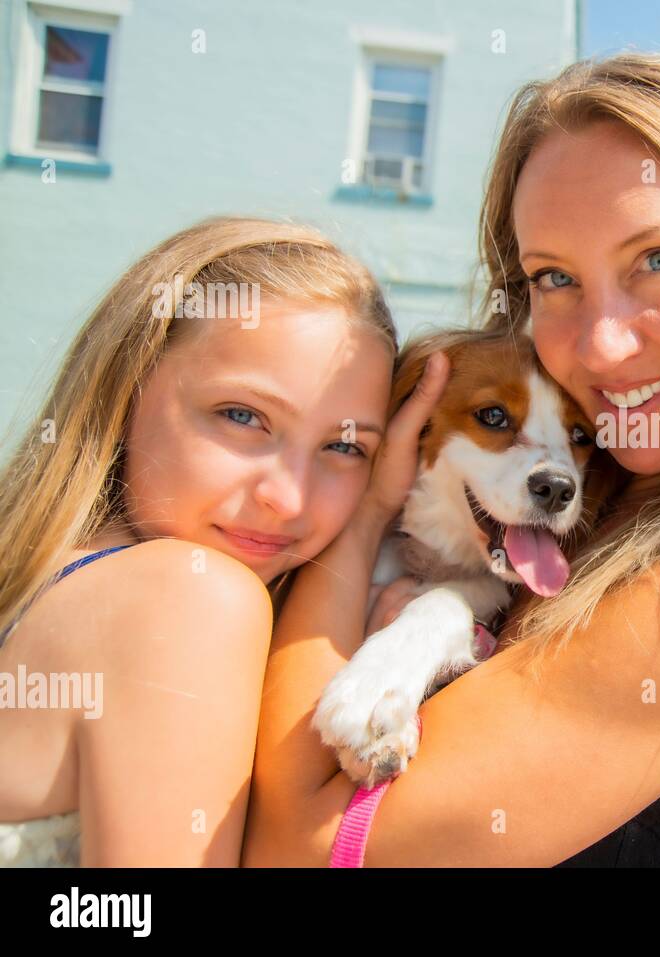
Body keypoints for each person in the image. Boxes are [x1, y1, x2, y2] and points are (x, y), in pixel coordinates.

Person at [243, 52, 660, 866]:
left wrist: (363, 529)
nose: (601, 341)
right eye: (554, 276)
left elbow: (291, 850)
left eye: (658, 258)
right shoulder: (598, 491)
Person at [0, 217, 398, 865]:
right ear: (126, 386)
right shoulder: (189, 596)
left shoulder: (54, 580)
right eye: (242, 416)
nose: (288, 496)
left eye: (345, 446)